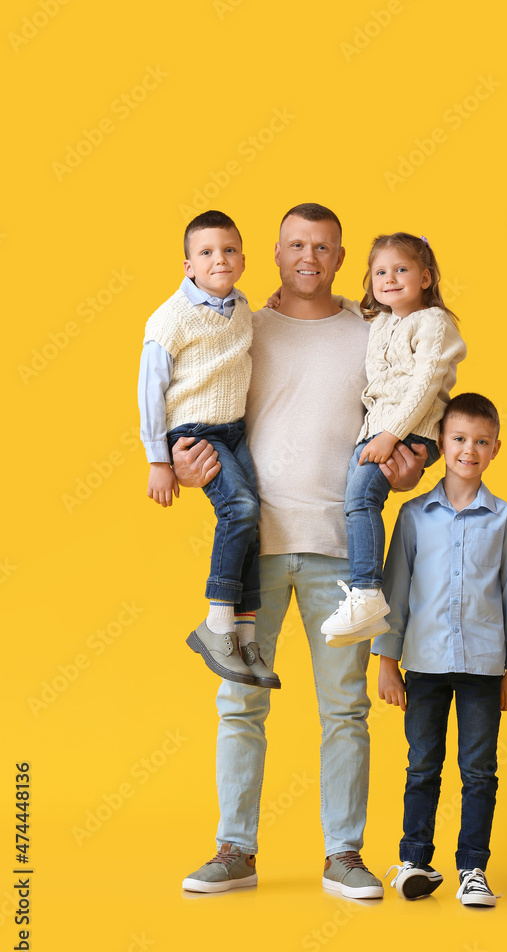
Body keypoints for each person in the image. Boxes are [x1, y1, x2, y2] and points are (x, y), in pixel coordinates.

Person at [172, 204, 427, 898]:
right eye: (294, 245)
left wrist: (412, 464)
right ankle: (235, 849)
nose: (307, 256)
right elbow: (202, 411)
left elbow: (411, 410)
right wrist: (185, 462)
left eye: (321, 246)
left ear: (341, 257)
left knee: (344, 710)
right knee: (239, 702)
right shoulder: (242, 328)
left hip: (344, 554)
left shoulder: (373, 332)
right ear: (275, 253)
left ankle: (344, 854)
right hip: (254, 550)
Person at [374, 393, 507, 906]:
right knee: (422, 764)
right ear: (441, 442)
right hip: (423, 663)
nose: (470, 450)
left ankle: (473, 869)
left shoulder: (506, 519)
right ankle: (415, 860)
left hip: (485, 666)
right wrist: (386, 662)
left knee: (479, 770)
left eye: (481, 442)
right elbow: (394, 590)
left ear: (496, 449)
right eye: (460, 439)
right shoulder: (415, 515)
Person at [138, 210, 279, 689]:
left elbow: (247, 334)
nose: (219, 259)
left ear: (242, 259)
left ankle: (245, 635)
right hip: (194, 431)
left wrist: (276, 303)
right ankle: (215, 624)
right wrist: (159, 459)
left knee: (253, 519)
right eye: (206, 252)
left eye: (229, 250)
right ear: (188, 267)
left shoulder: (241, 305)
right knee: (237, 509)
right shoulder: (170, 318)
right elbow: (149, 391)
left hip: (233, 430)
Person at [320, 233, 467, 644]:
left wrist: (392, 435)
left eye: (401, 270)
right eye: (380, 272)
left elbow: (425, 385)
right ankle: (364, 597)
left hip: (410, 430)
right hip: (376, 431)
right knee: (355, 501)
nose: (390, 279)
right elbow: (353, 309)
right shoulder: (382, 320)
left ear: (425, 277)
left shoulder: (433, 322)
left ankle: (368, 593)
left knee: (363, 498)